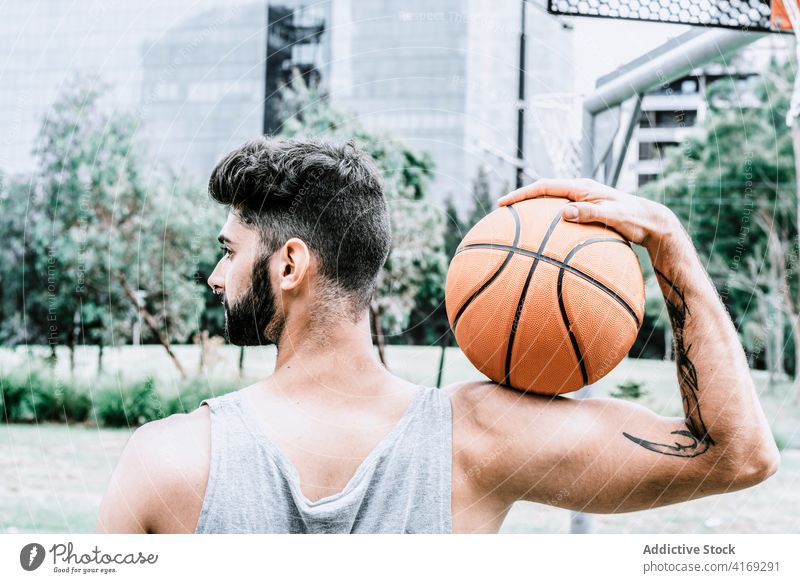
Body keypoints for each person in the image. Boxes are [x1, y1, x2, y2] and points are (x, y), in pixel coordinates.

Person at [96, 137, 779, 534]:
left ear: (291, 263)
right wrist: (668, 247)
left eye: (229, 249)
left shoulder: (166, 461)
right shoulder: (480, 439)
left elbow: (743, 456)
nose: (217, 275)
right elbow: (735, 452)